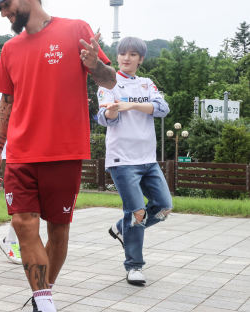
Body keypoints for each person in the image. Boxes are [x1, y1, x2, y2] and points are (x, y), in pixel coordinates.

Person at [0, 1, 116, 311]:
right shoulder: (10, 49)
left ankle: (43, 293)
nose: (4, 12)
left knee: (58, 230)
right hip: (20, 153)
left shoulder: (76, 30)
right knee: (22, 223)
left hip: (64, 151)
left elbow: (110, 81)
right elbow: (6, 103)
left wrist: (95, 65)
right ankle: (45, 304)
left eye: (6, 4)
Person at [97, 37, 172, 286]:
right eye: (122, 54)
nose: (126, 58)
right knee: (137, 212)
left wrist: (130, 105)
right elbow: (105, 117)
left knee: (163, 206)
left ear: (140, 59)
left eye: (132, 54)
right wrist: (112, 110)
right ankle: (134, 266)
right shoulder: (108, 82)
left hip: (148, 158)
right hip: (122, 160)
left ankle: (122, 227)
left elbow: (162, 108)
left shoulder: (146, 83)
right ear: (117, 57)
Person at [0, 143, 22, 264]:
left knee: (31, 205)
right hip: (12, 153)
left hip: (33, 152)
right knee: (20, 203)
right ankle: (10, 240)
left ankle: (11, 240)